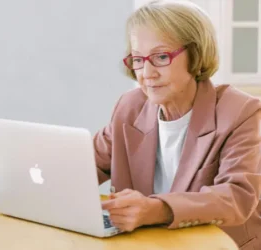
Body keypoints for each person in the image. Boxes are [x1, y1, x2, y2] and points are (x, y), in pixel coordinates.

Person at [94, 1, 261, 249]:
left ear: (196, 55)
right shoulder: (129, 107)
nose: (147, 73)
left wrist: (156, 209)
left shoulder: (242, 112)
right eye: (138, 59)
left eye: (161, 57)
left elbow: (236, 196)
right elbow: (85, 164)